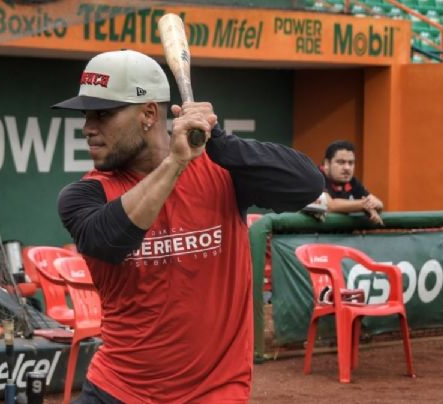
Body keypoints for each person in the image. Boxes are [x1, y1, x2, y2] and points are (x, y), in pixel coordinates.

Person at [53, 49, 323, 403]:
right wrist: (176, 163)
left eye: (103, 114)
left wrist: (220, 140)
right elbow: (108, 241)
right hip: (120, 390)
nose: (89, 128)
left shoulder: (221, 172)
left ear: (148, 113)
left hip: (215, 391)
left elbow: (307, 184)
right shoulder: (84, 194)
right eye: (87, 115)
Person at [321, 140, 384, 225]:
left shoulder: (351, 182)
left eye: (351, 163)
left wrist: (370, 207)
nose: (347, 168)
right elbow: (330, 205)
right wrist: (363, 205)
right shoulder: (316, 177)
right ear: (327, 163)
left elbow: (379, 203)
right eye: (341, 162)